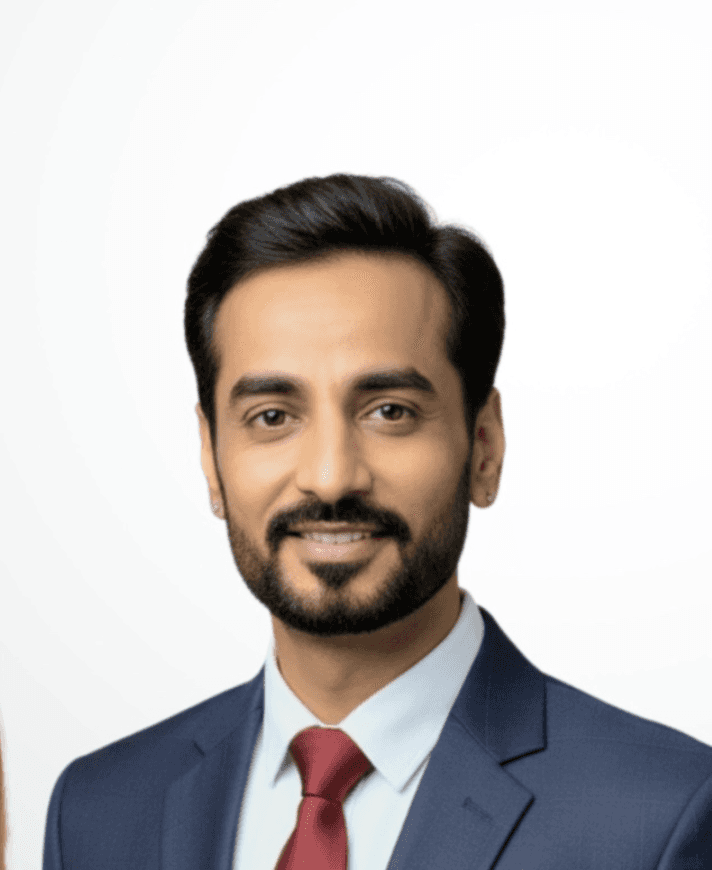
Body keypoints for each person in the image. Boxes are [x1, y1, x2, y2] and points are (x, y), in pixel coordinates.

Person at [43, 175, 712, 869]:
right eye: (272, 417)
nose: (331, 476)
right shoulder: (96, 813)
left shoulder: (661, 819)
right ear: (211, 459)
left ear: (484, 448)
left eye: (390, 411)